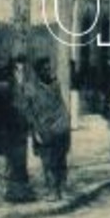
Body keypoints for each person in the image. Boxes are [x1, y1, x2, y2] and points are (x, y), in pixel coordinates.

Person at [0, 60, 33, 203]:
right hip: (3, 136)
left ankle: (2, 196)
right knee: (1, 167)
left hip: (2, 135)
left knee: (1, 166)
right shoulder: (3, 90)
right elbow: (7, 113)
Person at [23, 55, 72, 201]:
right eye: (44, 69)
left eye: (49, 68)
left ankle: (61, 189)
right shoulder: (30, 88)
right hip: (43, 129)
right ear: (38, 71)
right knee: (47, 162)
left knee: (60, 160)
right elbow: (28, 111)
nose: (48, 71)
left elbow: (61, 105)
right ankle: (52, 191)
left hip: (60, 128)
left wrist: (65, 121)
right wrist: (35, 130)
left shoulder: (55, 85)